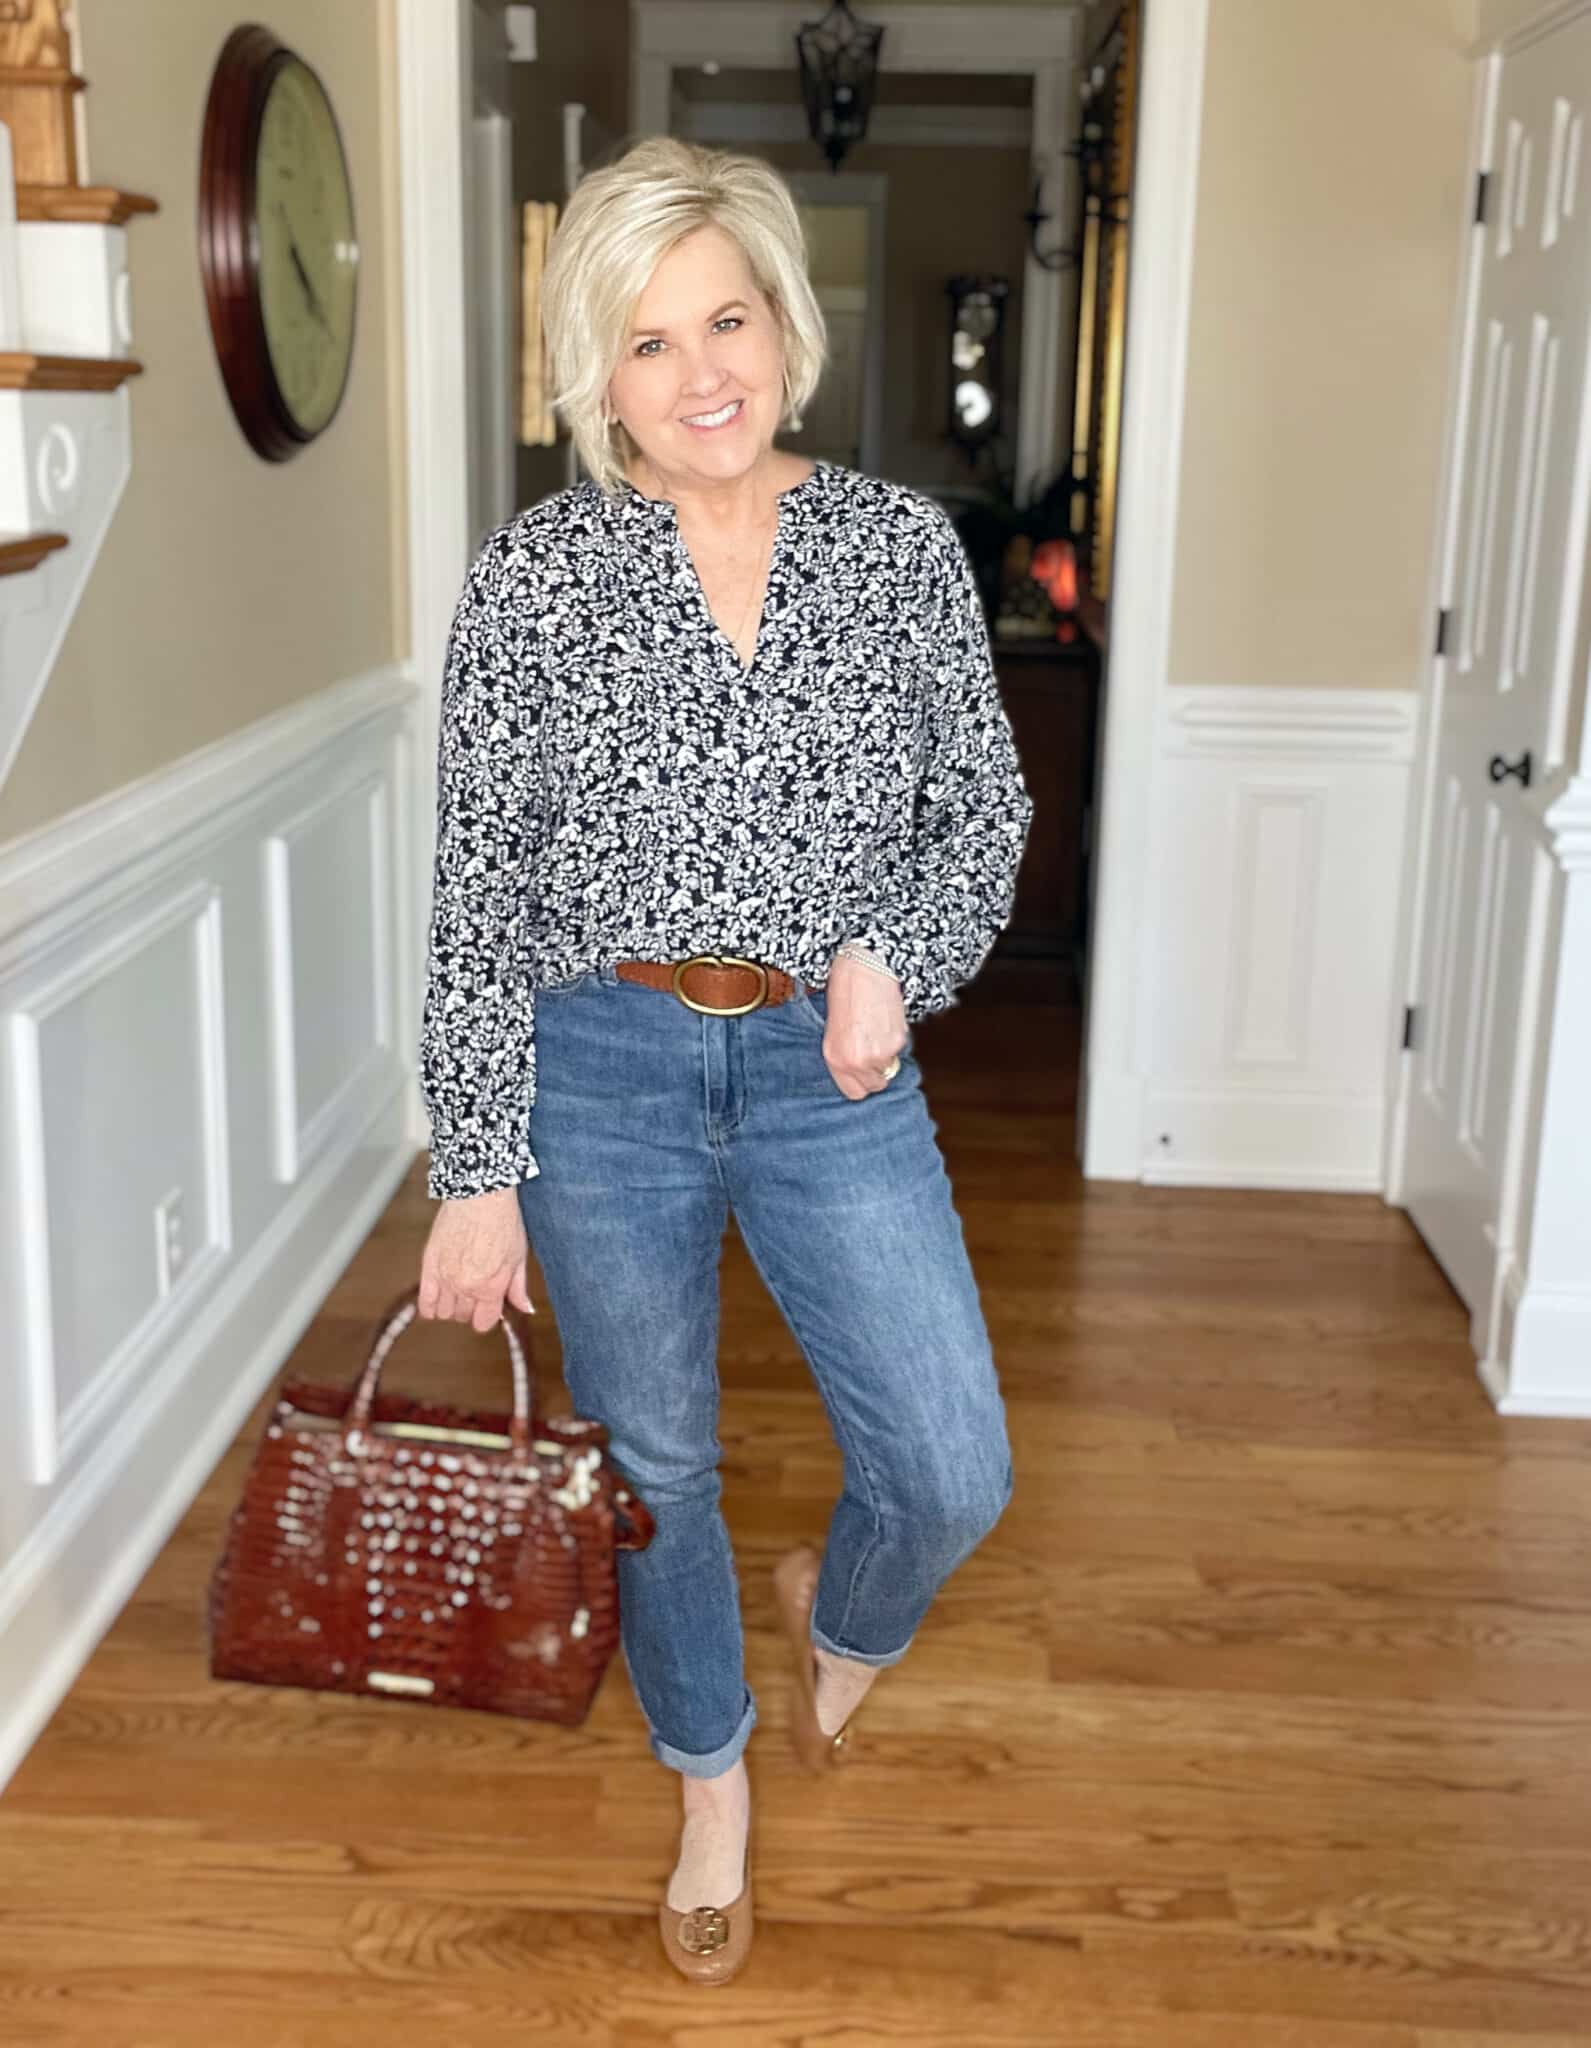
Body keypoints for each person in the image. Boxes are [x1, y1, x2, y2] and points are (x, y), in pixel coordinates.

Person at [415, 135, 1034, 1986]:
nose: (702, 375)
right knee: (658, 1464)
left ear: (784, 321)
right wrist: (472, 1168)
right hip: (597, 1060)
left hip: (828, 1070)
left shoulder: (898, 552)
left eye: (728, 319)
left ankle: (843, 1622)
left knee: (949, 1466)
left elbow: (981, 815)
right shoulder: (533, 578)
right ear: (592, 375)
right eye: (646, 340)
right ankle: (708, 1775)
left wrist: (890, 958)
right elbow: (477, 887)